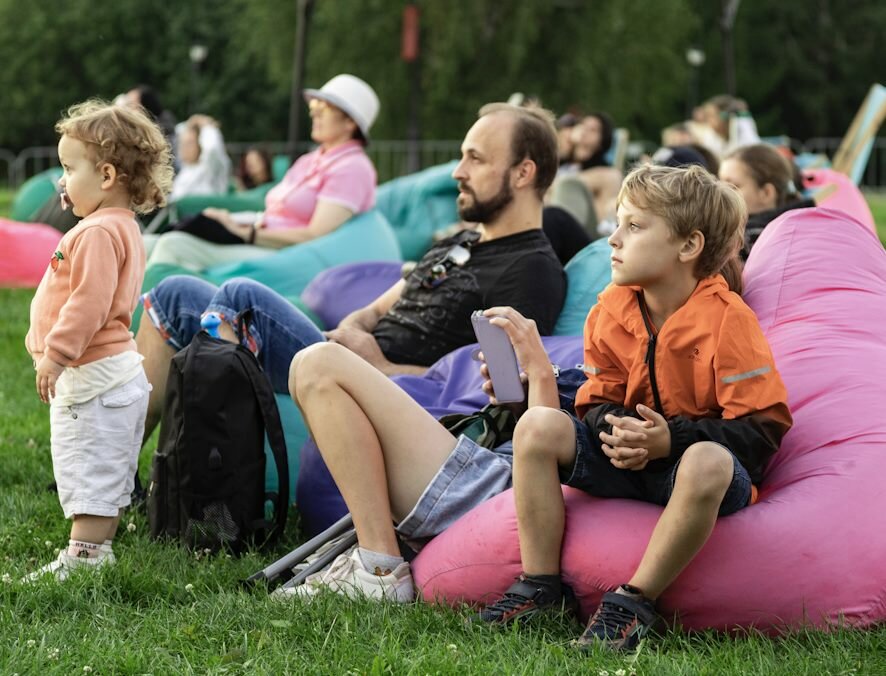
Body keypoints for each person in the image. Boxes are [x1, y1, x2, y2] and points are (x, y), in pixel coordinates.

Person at [282, 165, 792, 656]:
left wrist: (669, 440)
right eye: (617, 222)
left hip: (686, 467)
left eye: (633, 226)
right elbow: (597, 398)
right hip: (625, 458)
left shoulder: (728, 321)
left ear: (688, 246)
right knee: (540, 425)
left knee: (708, 461)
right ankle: (539, 585)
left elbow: (761, 432)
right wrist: (613, 428)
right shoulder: (612, 308)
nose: (614, 238)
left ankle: (634, 601)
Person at [135, 102, 567, 451]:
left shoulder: (531, 269)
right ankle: (124, 480)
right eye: (461, 157)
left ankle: (206, 488)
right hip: (346, 359)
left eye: (475, 159)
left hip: (393, 393)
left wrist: (381, 363)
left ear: (523, 173)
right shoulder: (460, 243)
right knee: (173, 293)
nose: (457, 172)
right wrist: (351, 332)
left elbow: (497, 393)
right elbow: (379, 307)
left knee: (240, 297)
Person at [23, 100, 173, 581]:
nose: (62, 182)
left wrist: (56, 355)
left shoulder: (95, 234)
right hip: (116, 374)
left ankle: (84, 557)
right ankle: (95, 549)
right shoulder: (121, 227)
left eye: (69, 168)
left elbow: (88, 304)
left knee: (87, 457)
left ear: (106, 175)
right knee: (107, 461)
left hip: (91, 374)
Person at [143, 74, 379, 271]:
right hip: (263, 240)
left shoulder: (352, 168)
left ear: (350, 123)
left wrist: (245, 232)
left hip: (287, 257)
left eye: (323, 107)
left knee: (173, 246)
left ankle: (135, 322)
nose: (313, 113)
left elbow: (315, 235)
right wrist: (229, 219)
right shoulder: (311, 160)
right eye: (313, 106)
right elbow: (273, 215)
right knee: (145, 244)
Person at [718, 143, 813, 257]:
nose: (720, 193)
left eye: (732, 186)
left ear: (766, 193)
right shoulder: (809, 228)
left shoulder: (745, 243)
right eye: (719, 184)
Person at [169, 114, 231, 201]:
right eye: (182, 143)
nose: (184, 148)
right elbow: (178, 130)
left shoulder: (209, 168)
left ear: (200, 145)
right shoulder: (184, 171)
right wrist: (190, 123)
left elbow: (212, 148)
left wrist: (203, 123)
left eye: (189, 143)